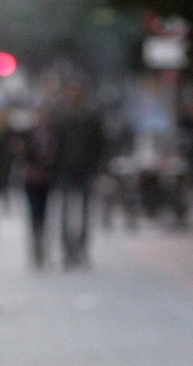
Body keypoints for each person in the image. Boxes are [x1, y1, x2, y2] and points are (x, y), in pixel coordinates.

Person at [52, 84, 106, 267]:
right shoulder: (61, 116)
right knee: (65, 212)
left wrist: (96, 166)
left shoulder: (91, 116)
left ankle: (82, 248)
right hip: (65, 169)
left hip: (85, 169)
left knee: (85, 212)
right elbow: (56, 143)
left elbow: (99, 143)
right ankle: (67, 250)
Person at [17, 107, 56, 267]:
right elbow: (22, 154)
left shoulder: (53, 133)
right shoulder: (27, 134)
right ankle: (36, 245)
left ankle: (43, 245)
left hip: (47, 178)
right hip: (31, 179)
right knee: (34, 213)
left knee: (45, 214)